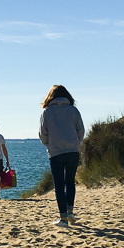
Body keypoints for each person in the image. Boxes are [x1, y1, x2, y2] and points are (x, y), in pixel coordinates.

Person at [38, 85, 85, 227]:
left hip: (56, 152)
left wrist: (49, 144)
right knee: (70, 181)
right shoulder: (73, 110)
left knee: (59, 185)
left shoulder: (47, 112)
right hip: (72, 151)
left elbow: (42, 134)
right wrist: (75, 143)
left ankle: (63, 218)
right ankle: (70, 211)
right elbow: (81, 131)